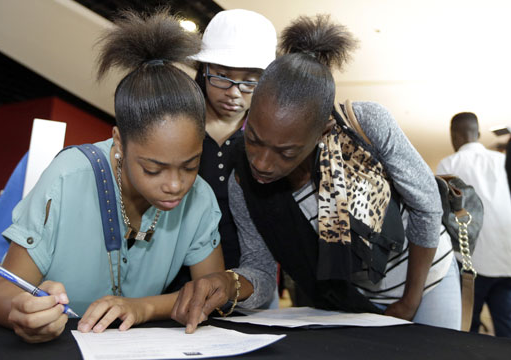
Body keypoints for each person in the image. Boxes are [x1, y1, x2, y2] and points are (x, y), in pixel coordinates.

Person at [172, 14, 460, 333]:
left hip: (426, 280)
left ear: (321, 131)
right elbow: (263, 272)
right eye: (253, 140)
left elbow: (427, 207)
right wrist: (229, 284)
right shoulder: (244, 182)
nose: (262, 164)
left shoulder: (367, 124)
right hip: (350, 297)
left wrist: (409, 301)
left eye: (286, 152)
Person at [0, 10, 224, 343]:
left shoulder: (200, 198)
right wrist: (22, 310)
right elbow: (1, 291)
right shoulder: (67, 178)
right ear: (118, 142)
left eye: (190, 165)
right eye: (153, 169)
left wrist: (143, 308)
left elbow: (210, 292)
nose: (176, 185)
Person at [191, 9, 276, 270]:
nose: (233, 93)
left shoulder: (270, 139)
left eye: (250, 82)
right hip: (174, 277)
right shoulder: (178, 127)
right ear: (203, 70)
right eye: (221, 76)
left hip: (251, 277)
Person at [436, 112, 511, 337]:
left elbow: (441, 215)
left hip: (469, 264)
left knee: (469, 330)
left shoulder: (449, 164)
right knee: (507, 331)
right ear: (478, 133)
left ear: (454, 136)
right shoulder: (502, 160)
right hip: (506, 261)